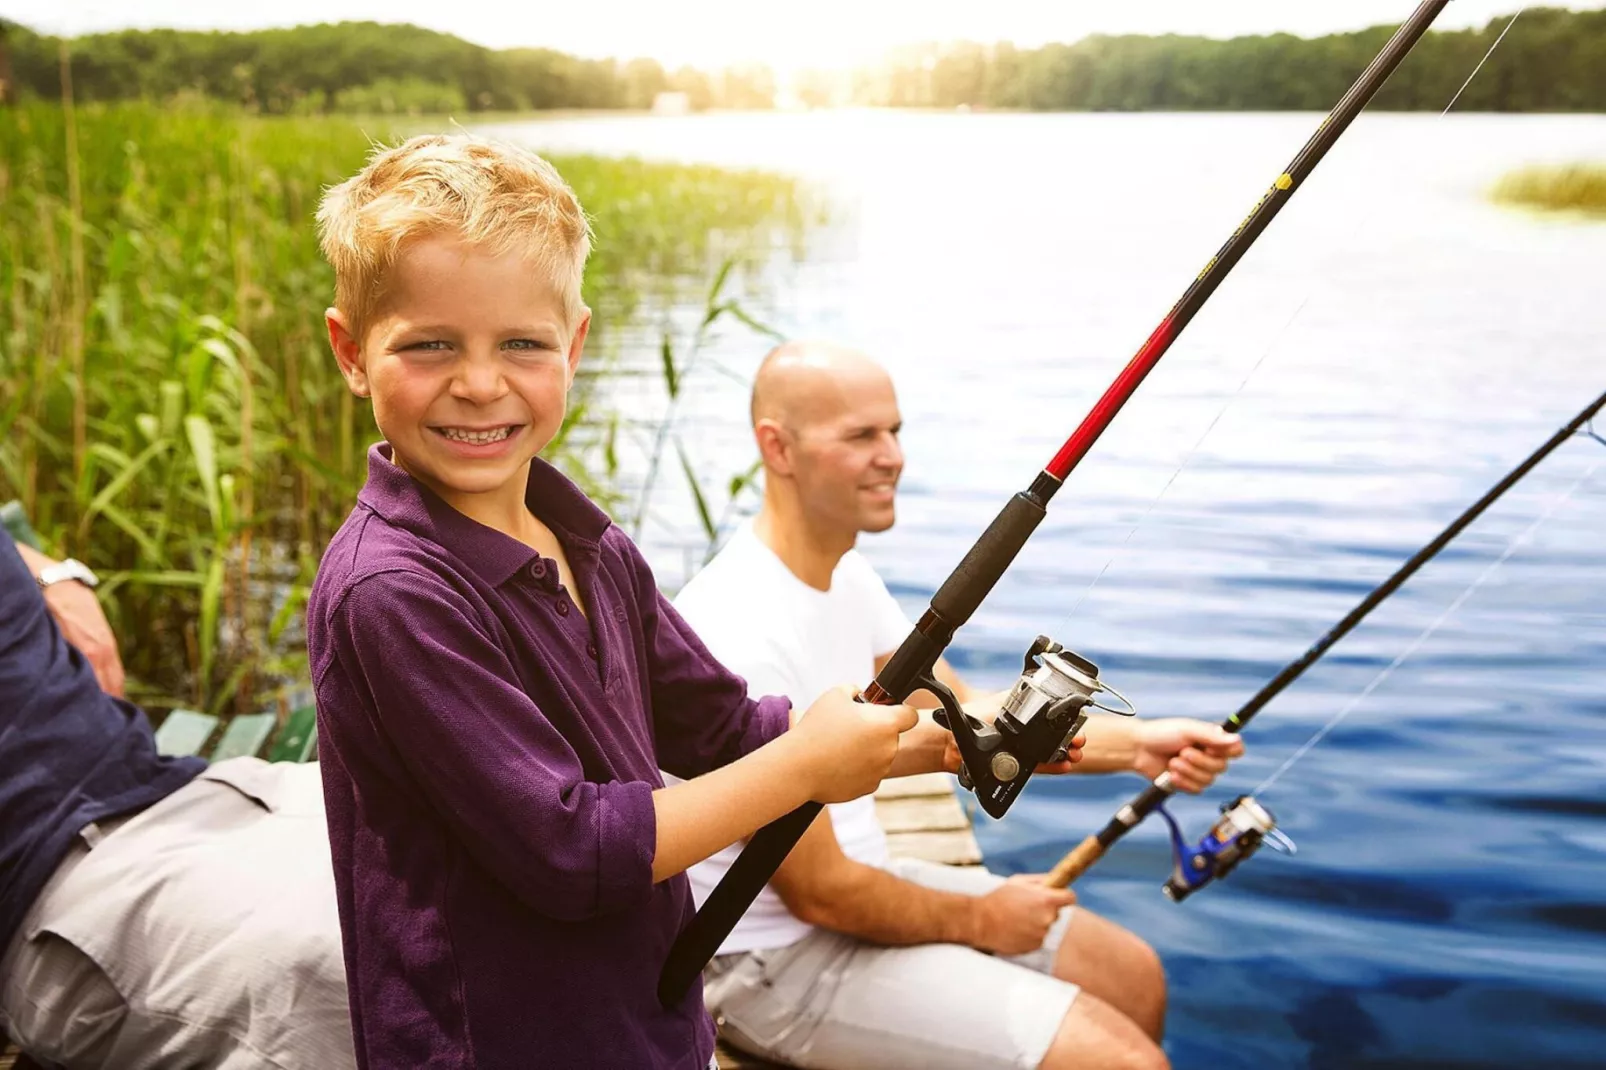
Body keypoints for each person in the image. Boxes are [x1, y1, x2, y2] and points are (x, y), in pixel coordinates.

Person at [304, 135, 1016, 1070]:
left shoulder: (585, 538)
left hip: (645, 1018)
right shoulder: (392, 593)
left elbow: (719, 725)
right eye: (430, 345)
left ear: (577, 344)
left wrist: (901, 744)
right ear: (353, 353)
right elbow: (571, 848)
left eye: (522, 343)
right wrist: (807, 767)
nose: (480, 383)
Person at [672, 341, 1248, 1070]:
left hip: (858, 887)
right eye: (862, 436)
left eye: (895, 432)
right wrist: (984, 917)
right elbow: (822, 894)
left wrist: (1139, 748)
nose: (893, 457)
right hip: (766, 960)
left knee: (1130, 975)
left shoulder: (844, 573)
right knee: (1125, 1063)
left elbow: (971, 721)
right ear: (776, 447)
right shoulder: (738, 629)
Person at [0, 526, 355, 1068]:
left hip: (188, 796)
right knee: (392, 968)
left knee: (482, 852)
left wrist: (47, 571)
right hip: (65, 888)